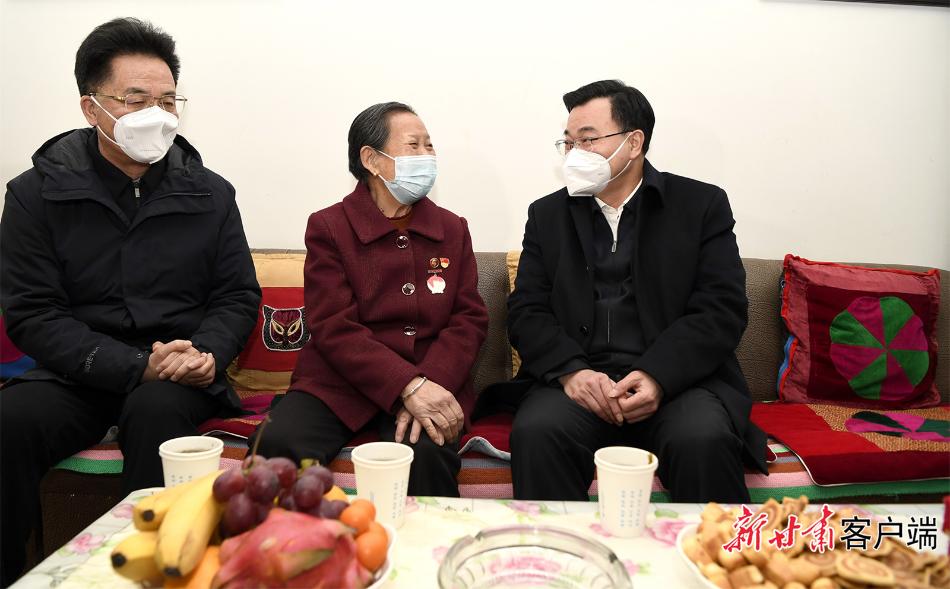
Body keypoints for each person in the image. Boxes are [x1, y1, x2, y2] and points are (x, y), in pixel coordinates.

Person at [0, 18, 260, 585]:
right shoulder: (35, 195)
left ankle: (156, 574)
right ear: (91, 108)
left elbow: (237, 294)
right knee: (9, 421)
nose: (157, 115)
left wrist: (207, 354)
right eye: (136, 100)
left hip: (178, 374)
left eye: (168, 101)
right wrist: (134, 364)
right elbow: (33, 313)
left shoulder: (210, 192)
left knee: (157, 413)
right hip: (76, 374)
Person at [502, 80, 767, 502]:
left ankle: (714, 547)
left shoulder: (700, 205)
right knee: (537, 431)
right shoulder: (547, 215)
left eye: (587, 139)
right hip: (579, 383)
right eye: (568, 142)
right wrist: (572, 372)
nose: (574, 153)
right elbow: (526, 310)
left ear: (634, 142)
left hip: (677, 383)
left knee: (702, 437)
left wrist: (658, 376)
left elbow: (722, 308)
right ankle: (555, 545)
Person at [253, 102, 488, 497]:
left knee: (426, 451)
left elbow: (469, 318)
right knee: (279, 444)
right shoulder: (329, 226)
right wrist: (406, 385)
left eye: (430, 145)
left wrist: (428, 384)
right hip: (338, 382)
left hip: (432, 374)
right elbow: (333, 325)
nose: (427, 155)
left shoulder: (452, 228)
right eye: (413, 145)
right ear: (371, 159)